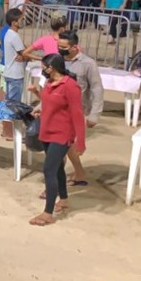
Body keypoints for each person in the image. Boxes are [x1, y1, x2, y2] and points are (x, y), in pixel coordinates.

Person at [27, 54, 86, 226]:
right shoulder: (49, 83)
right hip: (47, 131)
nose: (42, 70)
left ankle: (47, 212)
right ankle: (64, 198)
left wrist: (80, 141)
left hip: (62, 133)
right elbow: (47, 101)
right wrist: (37, 92)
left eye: (43, 67)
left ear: (51, 68)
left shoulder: (70, 86)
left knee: (49, 170)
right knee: (58, 167)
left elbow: (77, 114)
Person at [55, 30, 103, 188]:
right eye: (58, 45)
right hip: (57, 111)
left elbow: (97, 89)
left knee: (60, 147)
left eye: (63, 46)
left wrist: (95, 115)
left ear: (75, 47)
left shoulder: (88, 64)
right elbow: (49, 87)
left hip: (76, 112)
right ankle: (79, 172)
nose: (60, 49)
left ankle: (55, 185)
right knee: (65, 145)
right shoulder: (57, 61)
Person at [2, 8, 27, 102]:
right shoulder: (14, 36)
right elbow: (24, 53)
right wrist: (39, 58)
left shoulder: (9, 33)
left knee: (10, 102)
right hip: (15, 76)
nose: (23, 21)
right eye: (21, 20)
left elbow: (23, 51)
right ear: (14, 22)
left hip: (10, 73)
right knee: (13, 105)